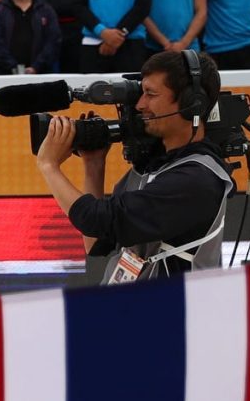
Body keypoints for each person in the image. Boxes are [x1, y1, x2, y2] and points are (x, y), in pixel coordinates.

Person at [36, 52, 237, 282]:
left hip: (172, 313)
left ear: (192, 104)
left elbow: (96, 219)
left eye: (151, 94)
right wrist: (93, 164)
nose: (140, 105)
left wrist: (48, 164)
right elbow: (97, 242)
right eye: (141, 93)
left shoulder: (196, 179)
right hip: (131, 311)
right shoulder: (155, 167)